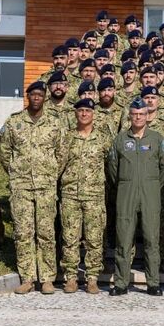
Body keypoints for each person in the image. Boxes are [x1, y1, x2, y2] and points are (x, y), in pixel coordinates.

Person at [0, 80, 67, 294]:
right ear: (27, 97)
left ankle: (46, 279)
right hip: (21, 186)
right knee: (23, 232)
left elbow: (62, 152)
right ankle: (27, 278)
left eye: (40, 94)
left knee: (46, 232)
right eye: (33, 94)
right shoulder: (14, 122)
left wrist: (51, 173)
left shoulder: (55, 122)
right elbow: (3, 151)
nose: (36, 98)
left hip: (46, 185)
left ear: (45, 97)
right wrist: (16, 172)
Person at [107, 97, 164, 296]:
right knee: (124, 239)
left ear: (147, 116)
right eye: (134, 115)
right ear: (129, 116)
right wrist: (125, 185)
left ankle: (153, 282)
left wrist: (152, 185)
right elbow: (112, 169)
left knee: (152, 239)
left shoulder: (157, 139)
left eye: (141, 114)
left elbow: (163, 167)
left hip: (150, 193)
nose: (138, 118)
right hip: (126, 193)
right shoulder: (120, 139)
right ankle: (121, 282)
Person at [59, 98, 111, 294]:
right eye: (80, 110)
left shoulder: (103, 139)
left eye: (87, 111)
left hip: (94, 195)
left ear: (93, 114)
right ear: (75, 113)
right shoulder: (68, 138)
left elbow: (111, 164)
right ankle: (71, 277)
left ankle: (92, 278)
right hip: (70, 194)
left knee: (94, 239)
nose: (83, 114)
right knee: (70, 238)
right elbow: (59, 164)